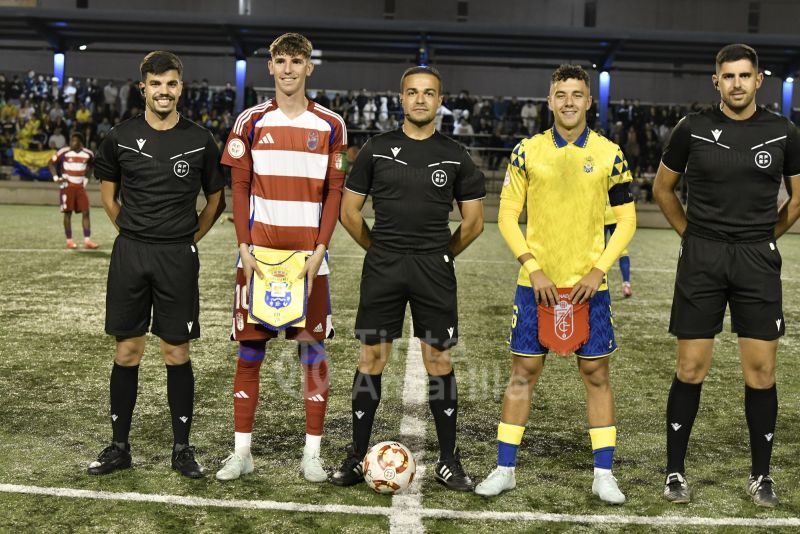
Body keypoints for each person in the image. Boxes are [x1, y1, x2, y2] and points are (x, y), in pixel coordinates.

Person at [474, 64, 636, 505]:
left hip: (590, 288)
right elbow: (506, 214)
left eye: (576, 94)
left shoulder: (610, 154)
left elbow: (626, 221)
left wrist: (599, 270)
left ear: (589, 101)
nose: (568, 101)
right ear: (549, 101)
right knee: (522, 374)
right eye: (560, 94)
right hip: (535, 286)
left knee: (596, 374)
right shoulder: (526, 152)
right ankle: (505, 468)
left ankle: (603, 474)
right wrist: (532, 264)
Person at [653, 44, 800, 508]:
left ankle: (761, 476)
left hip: (757, 260)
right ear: (716, 81)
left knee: (761, 371)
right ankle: (675, 472)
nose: (737, 83)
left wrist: (764, 236)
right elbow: (663, 188)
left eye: (745, 75)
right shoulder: (691, 128)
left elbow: (796, 200)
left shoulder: (783, 131)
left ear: (760, 80)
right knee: (690, 368)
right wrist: (691, 235)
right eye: (728, 76)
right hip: (703, 257)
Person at [332, 65, 485, 491]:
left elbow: (473, 224)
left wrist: (439, 255)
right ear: (401, 99)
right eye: (413, 92)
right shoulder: (377, 150)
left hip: (433, 268)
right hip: (384, 266)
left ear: (440, 101)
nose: (421, 99)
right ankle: (357, 457)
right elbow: (349, 213)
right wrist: (380, 250)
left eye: (429, 93)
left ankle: (449, 460)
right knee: (371, 360)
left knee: (439, 361)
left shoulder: (455, 154)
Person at [87, 51, 226, 478]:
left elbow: (216, 200)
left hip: (176, 255)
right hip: (131, 253)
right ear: (142, 87)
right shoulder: (119, 137)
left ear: (180, 88)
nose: (163, 91)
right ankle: (118, 447)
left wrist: (188, 237)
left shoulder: (201, 140)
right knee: (127, 350)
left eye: (171, 84)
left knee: (174, 349)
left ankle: (182, 449)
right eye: (156, 84)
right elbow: (109, 197)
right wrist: (132, 231)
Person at [216, 33, 347, 483]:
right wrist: (243, 247)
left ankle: (312, 454)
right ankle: (242, 452)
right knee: (250, 352)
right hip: (258, 260)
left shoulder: (332, 124)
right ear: (270, 67)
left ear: (310, 67)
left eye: (297, 61)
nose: (289, 68)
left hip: (310, 262)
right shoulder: (249, 121)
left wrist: (322, 249)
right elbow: (237, 187)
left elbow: (334, 193)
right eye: (281, 61)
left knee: (313, 351)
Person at [49, 132, 99, 250]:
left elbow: (92, 165)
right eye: (71, 140)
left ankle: (87, 241)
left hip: (80, 187)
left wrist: (86, 178)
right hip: (67, 186)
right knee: (68, 213)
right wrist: (56, 178)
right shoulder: (64, 151)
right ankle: (69, 241)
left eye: (74, 141)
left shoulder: (88, 153)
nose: (71, 143)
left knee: (86, 211)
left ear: (80, 142)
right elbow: (51, 163)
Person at [604, 202, 632, 298]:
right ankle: (626, 285)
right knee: (622, 251)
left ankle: (599, 286)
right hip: (616, 215)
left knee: (598, 252)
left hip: (601, 217)